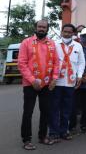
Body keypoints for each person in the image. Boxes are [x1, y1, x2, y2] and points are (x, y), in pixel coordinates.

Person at [18, 20, 60, 150]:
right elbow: (22, 63)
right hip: (30, 84)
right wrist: (32, 80)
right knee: (28, 112)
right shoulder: (26, 42)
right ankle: (26, 139)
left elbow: (56, 63)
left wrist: (54, 79)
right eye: (39, 26)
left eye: (44, 27)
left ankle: (42, 136)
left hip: (47, 84)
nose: (41, 29)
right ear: (35, 28)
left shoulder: (52, 43)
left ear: (47, 29)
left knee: (45, 111)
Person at [49, 24, 85, 143]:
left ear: (73, 33)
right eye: (65, 31)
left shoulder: (78, 46)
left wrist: (79, 76)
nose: (67, 34)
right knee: (54, 108)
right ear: (61, 32)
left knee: (67, 108)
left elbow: (81, 63)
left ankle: (64, 131)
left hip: (70, 82)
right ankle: (53, 132)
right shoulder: (54, 44)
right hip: (57, 82)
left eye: (70, 32)